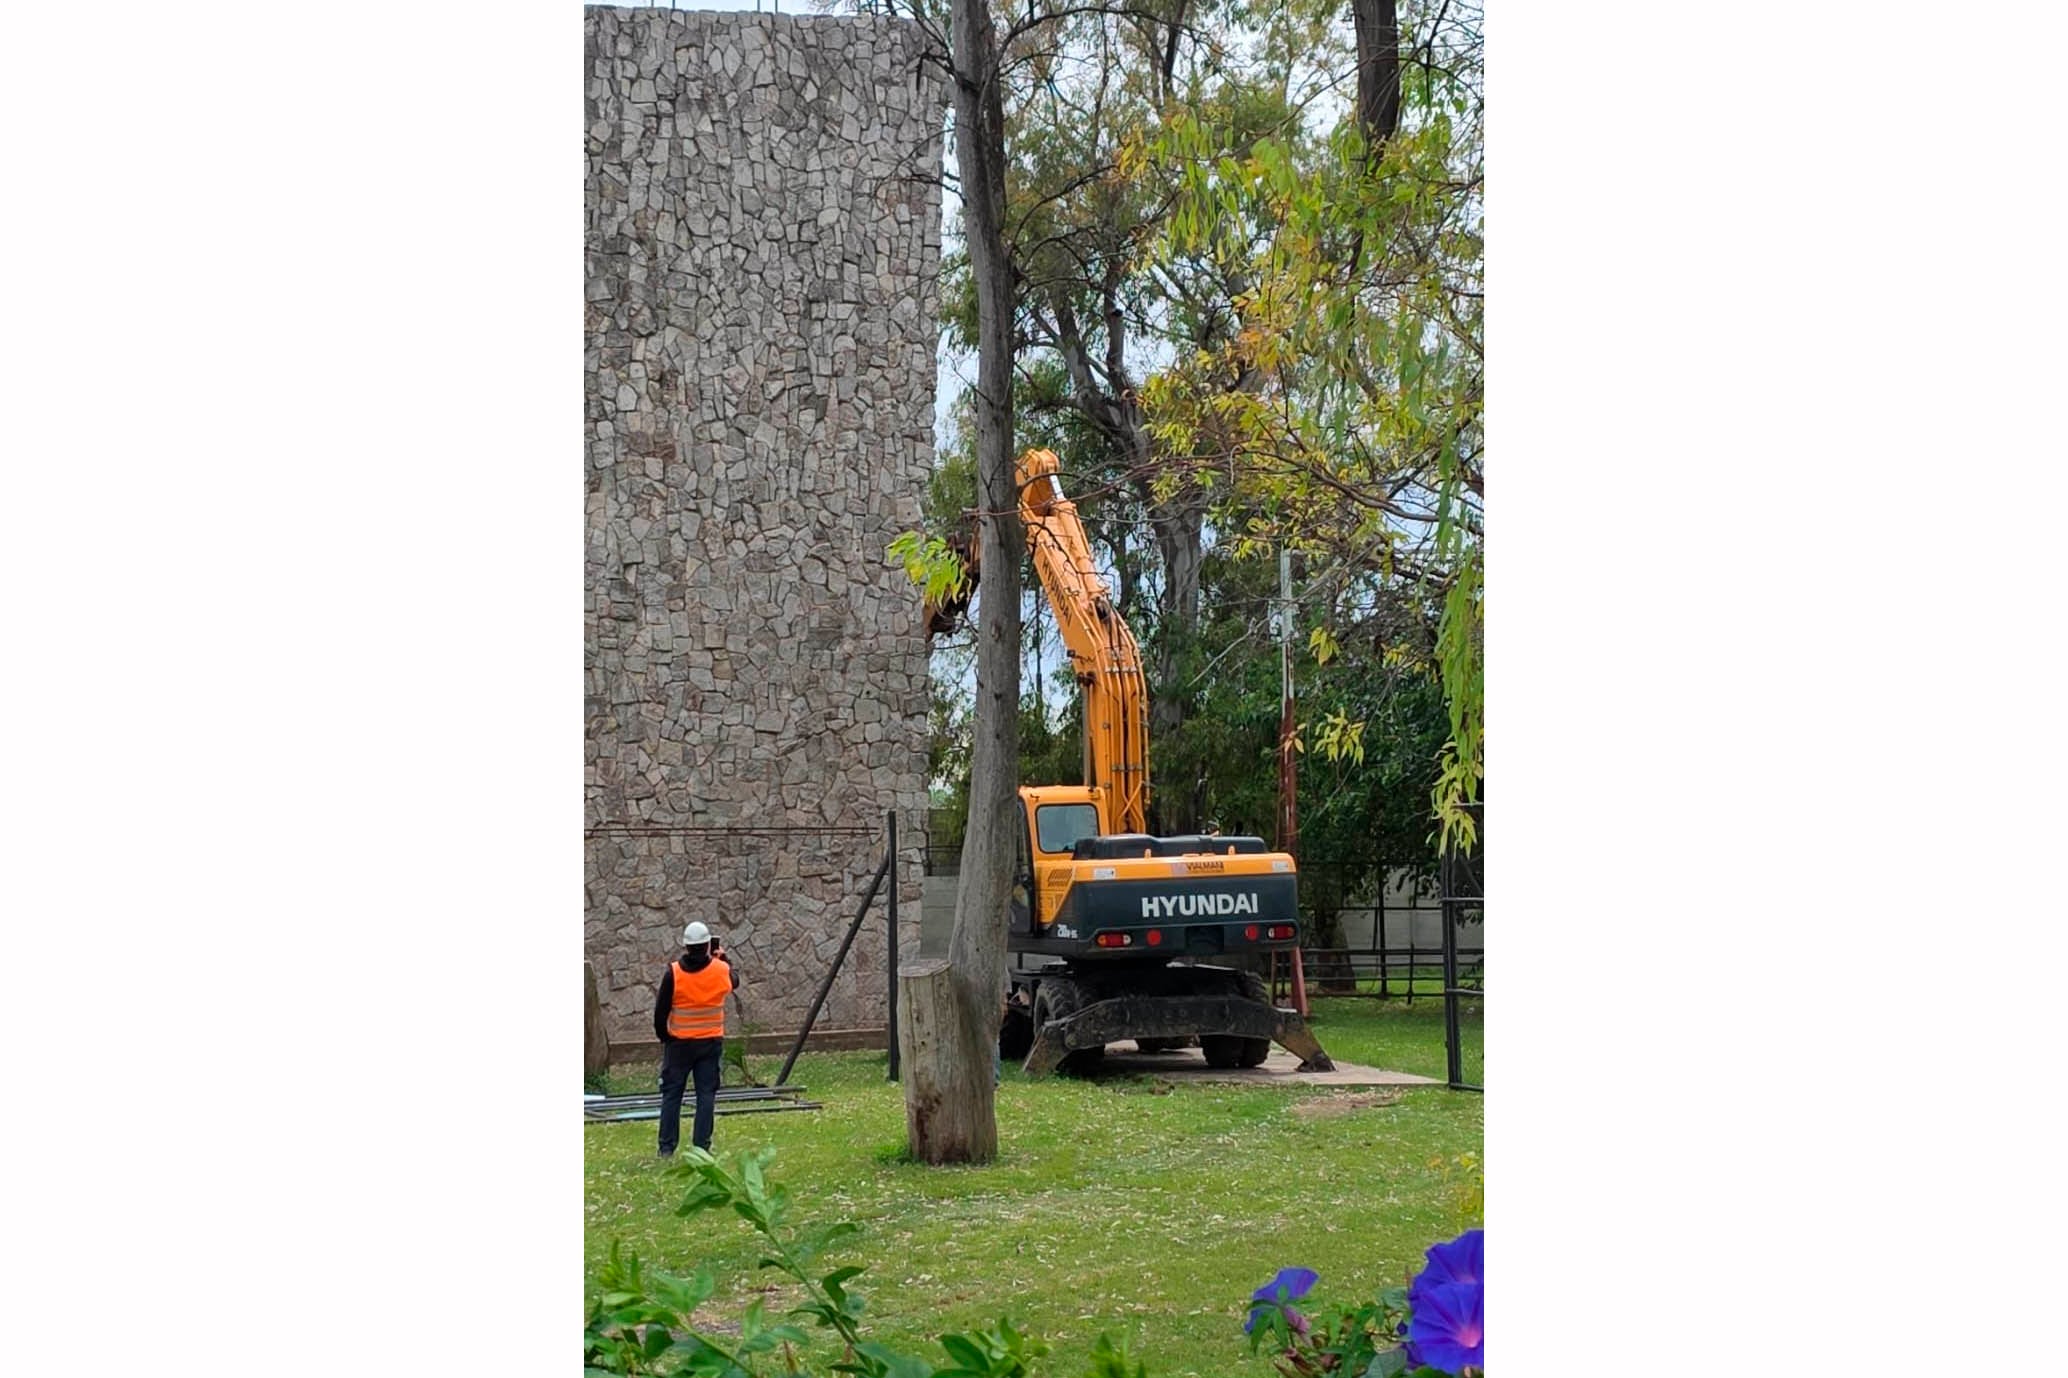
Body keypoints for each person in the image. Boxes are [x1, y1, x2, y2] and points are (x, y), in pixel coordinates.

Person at [651, 920, 738, 1158]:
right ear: (708, 944)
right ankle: (702, 1147)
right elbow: (735, 980)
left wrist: (664, 1036)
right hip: (710, 1043)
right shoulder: (721, 970)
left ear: (686, 946)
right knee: (706, 1095)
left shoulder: (674, 973)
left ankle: (666, 1148)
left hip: (679, 1045)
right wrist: (724, 959)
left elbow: (660, 1012)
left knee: (672, 1095)